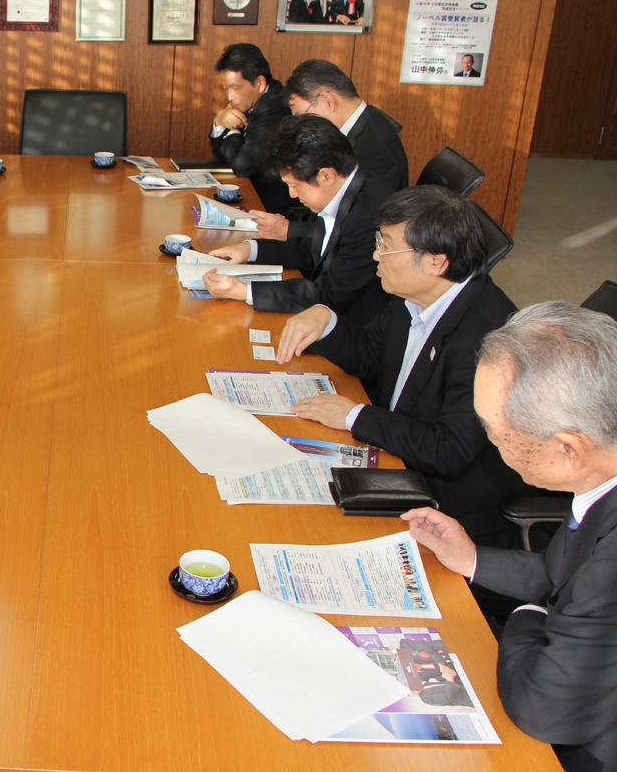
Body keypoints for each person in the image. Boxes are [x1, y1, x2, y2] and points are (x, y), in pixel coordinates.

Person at [403, 302, 617, 772]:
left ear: (567, 448)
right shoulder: (600, 479)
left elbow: (544, 708)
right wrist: (472, 558)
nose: (490, 444)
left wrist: (530, 613)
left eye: (498, 434)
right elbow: (567, 577)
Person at [275, 185, 528, 546]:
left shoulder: (488, 340)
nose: (375, 255)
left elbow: (449, 450)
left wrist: (354, 416)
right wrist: (325, 319)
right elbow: (369, 353)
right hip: (394, 452)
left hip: (446, 506)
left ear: (436, 261)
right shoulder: (416, 294)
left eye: (387, 245)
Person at [204, 114, 391, 322]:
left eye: (294, 186)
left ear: (326, 176)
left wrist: (242, 291)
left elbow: (329, 297)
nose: (292, 194)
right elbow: (318, 249)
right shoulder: (343, 188)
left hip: (353, 323)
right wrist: (250, 249)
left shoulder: (370, 217)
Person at [284, 59, 409, 194]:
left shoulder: (374, 148)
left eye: (302, 116)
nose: (302, 125)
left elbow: (372, 205)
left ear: (327, 100)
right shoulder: (365, 121)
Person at [209, 43, 295, 214]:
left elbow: (242, 166)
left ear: (260, 83)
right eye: (226, 89)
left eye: (236, 88)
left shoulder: (273, 107)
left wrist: (233, 129)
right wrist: (219, 122)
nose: (230, 97)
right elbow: (221, 155)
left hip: (271, 206)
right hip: (251, 192)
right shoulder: (252, 100)